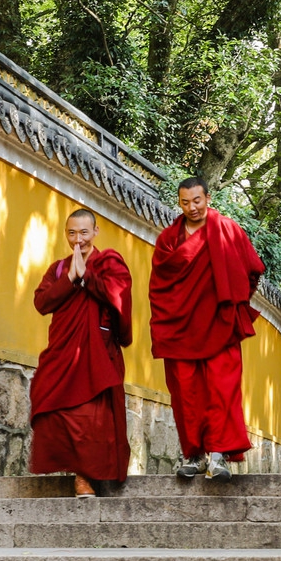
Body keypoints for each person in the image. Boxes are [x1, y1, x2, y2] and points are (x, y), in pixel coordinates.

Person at [148, 175, 265, 483]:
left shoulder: (227, 230)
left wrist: (233, 299)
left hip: (219, 323)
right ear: (179, 203)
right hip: (182, 327)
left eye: (197, 201)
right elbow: (159, 285)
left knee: (221, 389)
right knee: (186, 393)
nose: (192, 208)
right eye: (185, 202)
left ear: (208, 198)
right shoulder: (169, 239)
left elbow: (251, 270)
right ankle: (195, 455)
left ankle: (218, 455)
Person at [29, 208, 132, 497]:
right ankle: (72, 465)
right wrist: (71, 278)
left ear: (95, 232)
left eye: (84, 233)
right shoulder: (59, 268)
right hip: (63, 351)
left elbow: (119, 296)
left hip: (96, 353)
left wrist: (87, 277)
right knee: (49, 400)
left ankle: (84, 477)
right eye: (72, 233)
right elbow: (42, 302)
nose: (78, 240)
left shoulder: (110, 262)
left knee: (90, 416)